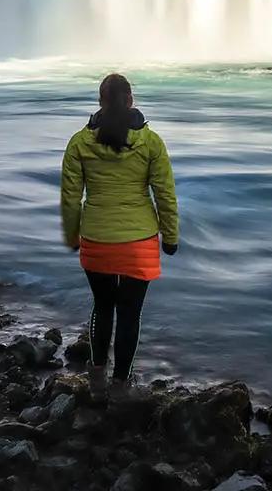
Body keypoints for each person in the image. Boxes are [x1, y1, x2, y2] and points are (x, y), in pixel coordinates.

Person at [60, 73, 179, 384]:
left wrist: (72, 236)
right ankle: (120, 384)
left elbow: (71, 198)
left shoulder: (79, 143)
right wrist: (171, 236)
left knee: (102, 306)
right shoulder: (151, 142)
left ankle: (96, 376)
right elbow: (164, 193)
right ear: (130, 101)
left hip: (96, 240)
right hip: (139, 243)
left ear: (100, 102)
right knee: (129, 314)